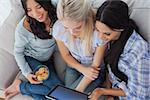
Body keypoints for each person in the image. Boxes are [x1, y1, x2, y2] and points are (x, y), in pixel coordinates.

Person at [89, 1, 150, 100]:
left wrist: (102, 91)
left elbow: (139, 96)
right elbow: (111, 71)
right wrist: (109, 95)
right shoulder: (112, 39)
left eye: (107, 33)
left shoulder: (138, 54)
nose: (100, 37)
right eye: (97, 30)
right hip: (114, 91)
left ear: (121, 28)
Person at [4, 0, 64, 99]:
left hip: (48, 58)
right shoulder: (23, 29)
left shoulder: (56, 8)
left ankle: (21, 87)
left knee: (46, 97)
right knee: (59, 91)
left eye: (39, 7)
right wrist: (27, 73)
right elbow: (18, 52)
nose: (36, 14)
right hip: (32, 58)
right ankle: (21, 87)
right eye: (29, 10)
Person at [52, 0, 107, 93]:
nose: (72, 32)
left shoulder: (98, 33)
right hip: (74, 65)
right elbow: (66, 55)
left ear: (87, 18)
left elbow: (96, 66)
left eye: (77, 27)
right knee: (67, 94)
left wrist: (78, 90)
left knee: (69, 95)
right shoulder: (58, 28)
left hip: (94, 71)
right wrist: (82, 69)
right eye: (66, 27)